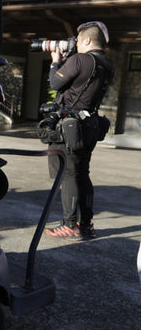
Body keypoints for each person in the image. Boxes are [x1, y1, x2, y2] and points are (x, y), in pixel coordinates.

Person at [44, 21, 114, 241]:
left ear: (86, 40)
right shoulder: (106, 65)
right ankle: (86, 225)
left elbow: (55, 83)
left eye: (78, 40)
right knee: (82, 174)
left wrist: (55, 62)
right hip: (90, 126)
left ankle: (69, 225)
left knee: (69, 174)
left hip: (70, 127)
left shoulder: (80, 60)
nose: (75, 44)